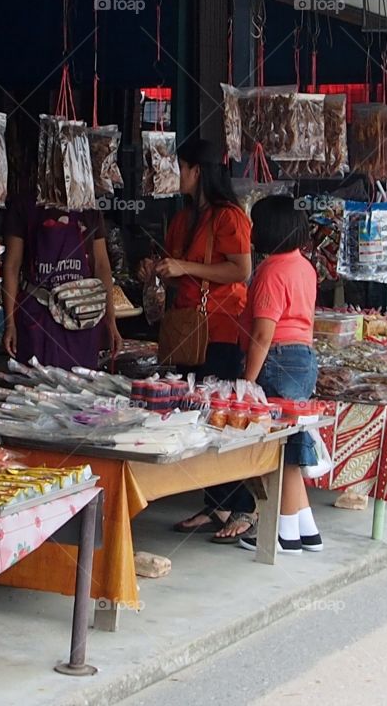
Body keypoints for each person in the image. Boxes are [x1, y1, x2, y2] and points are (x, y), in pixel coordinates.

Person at [138, 137, 254, 540]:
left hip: (221, 330)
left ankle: (242, 505)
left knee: (217, 418)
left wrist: (183, 265)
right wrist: (156, 270)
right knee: (193, 417)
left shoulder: (229, 217)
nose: (178, 174)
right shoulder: (184, 219)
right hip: (189, 328)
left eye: (182, 166)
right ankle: (217, 502)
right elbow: (179, 271)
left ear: (198, 171)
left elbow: (240, 271)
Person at [234, 196, 322, 555]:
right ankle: (303, 527)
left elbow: (262, 334)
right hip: (302, 357)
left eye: (256, 223)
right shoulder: (304, 266)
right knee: (293, 440)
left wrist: (247, 381)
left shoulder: (272, 270)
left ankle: (282, 533)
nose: (253, 231)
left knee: (278, 445)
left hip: (278, 358)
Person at [1, 165, 122, 371]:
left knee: (81, 394)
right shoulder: (24, 205)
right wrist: (10, 322)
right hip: (39, 317)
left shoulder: (88, 206)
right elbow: (11, 266)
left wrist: (111, 321)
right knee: (35, 394)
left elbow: (102, 266)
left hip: (83, 319)